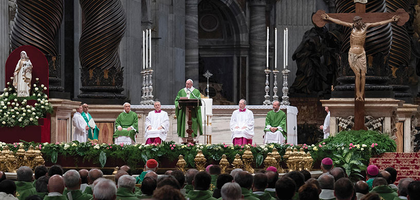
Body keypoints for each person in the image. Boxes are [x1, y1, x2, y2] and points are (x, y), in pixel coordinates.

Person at [322, 13, 400, 101]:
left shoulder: (366, 27)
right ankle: (357, 93)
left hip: (361, 53)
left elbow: (379, 23)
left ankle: (362, 94)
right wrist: (329, 18)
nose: (356, 24)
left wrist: (391, 20)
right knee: (357, 74)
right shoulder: (352, 27)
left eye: (358, 22)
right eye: (355, 22)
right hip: (352, 53)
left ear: (360, 21)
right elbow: (340, 22)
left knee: (363, 74)